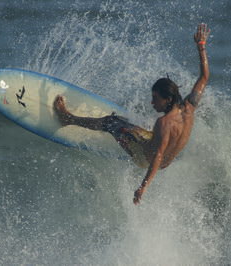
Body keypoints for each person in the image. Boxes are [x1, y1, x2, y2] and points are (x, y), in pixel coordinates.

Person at [54, 23, 210, 205]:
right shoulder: (189, 106)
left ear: (167, 99)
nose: (152, 102)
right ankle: (127, 129)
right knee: (131, 127)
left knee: (111, 122)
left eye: (155, 98)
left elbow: (157, 156)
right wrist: (201, 46)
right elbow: (204, 77)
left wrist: (143, 186)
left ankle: (67, 118)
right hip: (166, 159)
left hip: (144, 157)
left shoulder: (164, 123)